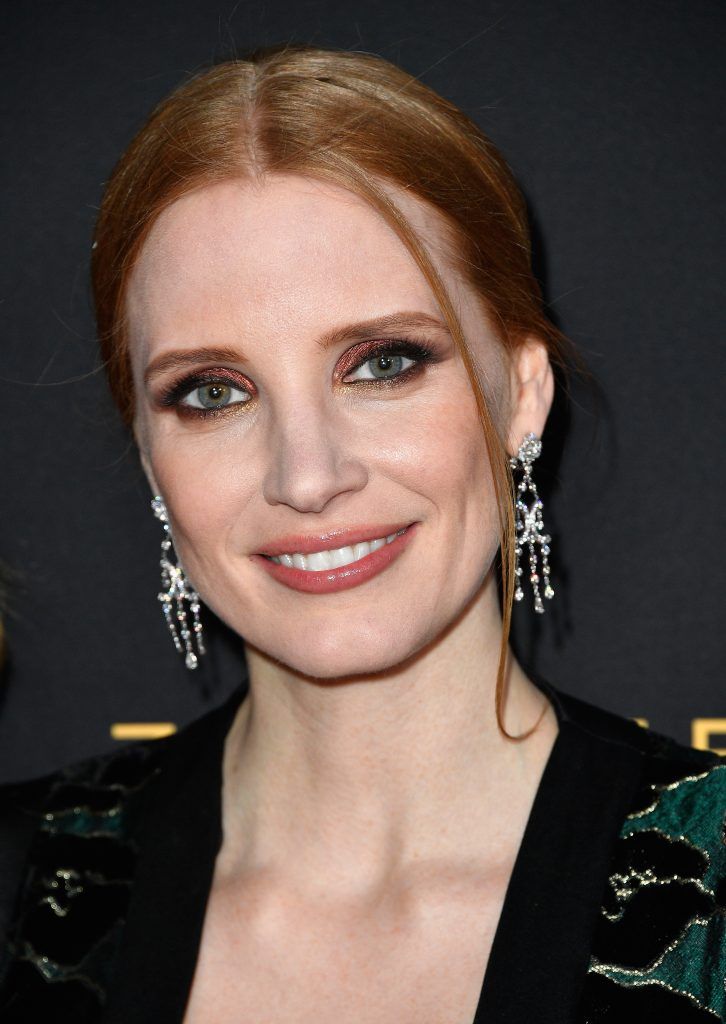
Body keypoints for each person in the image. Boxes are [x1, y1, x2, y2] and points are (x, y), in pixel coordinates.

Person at [0, 44, 723, 1024]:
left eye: (383, 363)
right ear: (146, 450)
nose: (307, 475)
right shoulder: (20, 886)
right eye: (213, 392)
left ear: (523, 392)